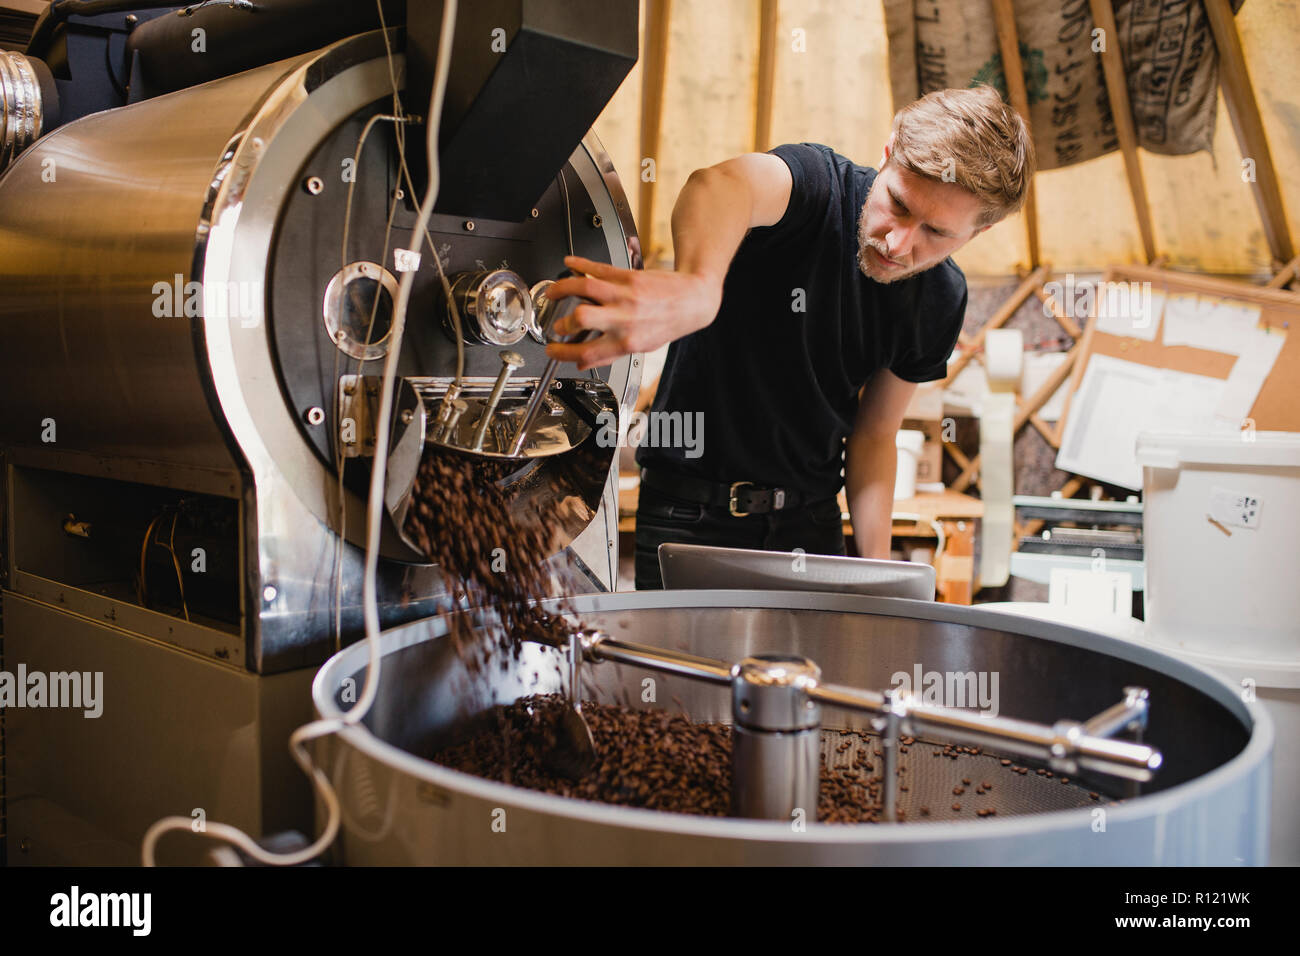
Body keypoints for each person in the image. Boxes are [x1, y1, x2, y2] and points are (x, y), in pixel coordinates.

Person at [544, 86, 1035, 589]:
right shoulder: (816, 188)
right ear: (887, 154)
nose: (898, 242)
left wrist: (878, 574)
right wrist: (700, 284)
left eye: (937, 232)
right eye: (899, 205)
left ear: (977, 234)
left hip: (810, 525)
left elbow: (874, 435)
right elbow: (719, 185)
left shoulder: (941, 297)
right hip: (688, 512)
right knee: (678, 669)